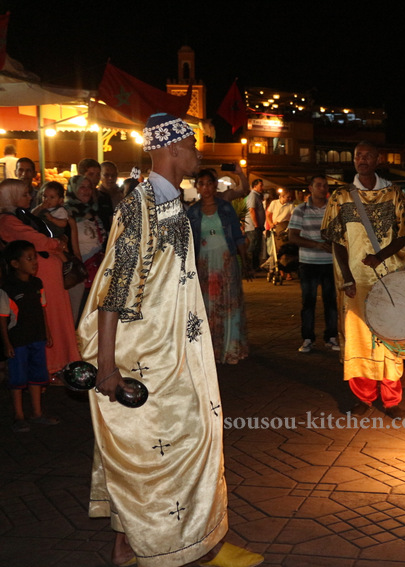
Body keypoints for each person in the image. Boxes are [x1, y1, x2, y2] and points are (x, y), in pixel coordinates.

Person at [76, 113, 263, 567]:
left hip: (176, 348)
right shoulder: (139, 207)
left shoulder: (172, 203)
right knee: (177, 442)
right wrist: (107, 366)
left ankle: (129, 545)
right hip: (146, 355)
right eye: (193, 145)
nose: (198, 154)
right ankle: (194, 546)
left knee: (157, 445)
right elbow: (114, 290)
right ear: (174, 147)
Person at [321, 140, 405, 419]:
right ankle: (363, 396)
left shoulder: (394, 193)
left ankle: (391, 399)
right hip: (355, 281)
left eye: (367, 155)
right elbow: (336, 240)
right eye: (357, 156)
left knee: (390, 336)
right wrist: (347, 277)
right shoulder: (341, 196)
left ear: (377, 160)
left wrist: (380, 256)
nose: (361, 160)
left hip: (389, 278)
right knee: (358, 337)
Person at [0, 179, 79, 380]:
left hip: (48, 276)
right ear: (11, 197)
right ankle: (51, 367)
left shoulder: (20, 215)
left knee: (57, 319)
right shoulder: (8, 220)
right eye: (24, 194)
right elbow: (39, 241)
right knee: (50, 321)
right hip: (41, 277)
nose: (30, 197)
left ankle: (58, 365)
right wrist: (57, 244)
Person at [187, 168, 250, 365]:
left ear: (215, 186)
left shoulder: (226, 208)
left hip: (226, 261)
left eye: (209, 183)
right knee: (208, 306)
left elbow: (238, 236)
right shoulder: (192, 212)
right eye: (201, 184)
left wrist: (245, 261)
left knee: (230, 304)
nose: (206, 188)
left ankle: (231, 347)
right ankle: (210, 349)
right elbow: (189, 242)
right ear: (197, 187)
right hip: (204, 264)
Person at [3, 240, 60, 433]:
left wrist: (47, 332)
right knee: (17, 378)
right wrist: (6, 343)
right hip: (18, 340)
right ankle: (19, 416)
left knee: (37, 375)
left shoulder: (37, 283)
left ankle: (37, 413)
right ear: (15, 263)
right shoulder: (7, 288)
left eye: (34, 257)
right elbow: (2, 318)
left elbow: (42, 309)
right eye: (29, 258)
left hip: (36, 337)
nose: (35, 262)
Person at [288, 175, 338, 353]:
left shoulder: (333, 209)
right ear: (310, 188)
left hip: (330, 262)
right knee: (308, 302)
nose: (322, 188)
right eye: (318, 185)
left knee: (331, 301)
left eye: (325, 185)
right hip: (309, 262)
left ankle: (331, 336)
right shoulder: (301, 210)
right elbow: (292, 236)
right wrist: (316, 244)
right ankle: (308, 338)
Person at [65, 175, 107, 323]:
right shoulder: (65, 213)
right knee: (78, 312)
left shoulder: (94, 210)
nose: (86, 190)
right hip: (78, 271)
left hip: (96, 270)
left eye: (89, 187)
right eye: (82, 187)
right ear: (73, 189)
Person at [244, 179, 265, 272]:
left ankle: (255, 266)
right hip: (253, 227)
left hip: (256, 226)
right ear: (255, 186)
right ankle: (250, 267)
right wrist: (256, 225)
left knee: (256, 247)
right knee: (253, 247)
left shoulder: (257, 196)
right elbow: (252, 210)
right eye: (261, 185)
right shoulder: (253, 195)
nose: (262, 187)